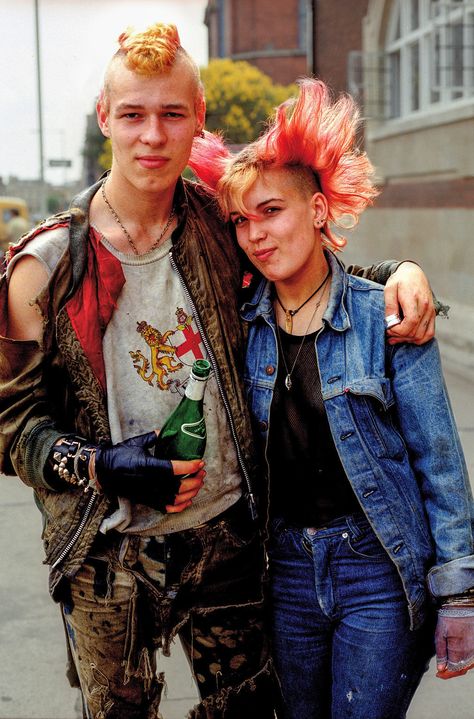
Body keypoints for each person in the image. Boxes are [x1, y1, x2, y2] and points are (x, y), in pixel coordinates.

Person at [0, 23, 437, 719]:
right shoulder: (44, 268)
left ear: (197, 119)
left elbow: (305, 274)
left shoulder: (219, 228)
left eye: (172, 114)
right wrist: (103, 462)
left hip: (228, 538)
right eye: (134, 114)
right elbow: (12, 429)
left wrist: (396, 273)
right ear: (105, 117)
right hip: (108, 553)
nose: (152, 135)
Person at [189, 79, 474, 719]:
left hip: (375, 566)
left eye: (272, 211)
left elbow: (440, 461)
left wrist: (460, 595)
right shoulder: (238, 327)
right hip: (284, 572)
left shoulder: (387, 319)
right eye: (241, 220)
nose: (255, 234)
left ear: (318, 211)